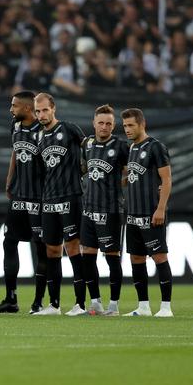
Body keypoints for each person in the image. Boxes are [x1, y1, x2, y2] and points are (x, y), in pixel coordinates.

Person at [0, 91, 48, 314]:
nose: (11, 109)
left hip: (40, 198)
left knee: (41, 248)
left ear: (27, 108)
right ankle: (11, 299)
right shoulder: (16, 126)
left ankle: (39, 302)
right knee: (9, 242)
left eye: (14, 105)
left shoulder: (43, 131)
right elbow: (16, 151)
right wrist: (9, 178)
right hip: (19, 196)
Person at [33, 93, 87, 316]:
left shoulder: (70, 129)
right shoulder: (39, 138)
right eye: (38, 111)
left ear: (53, 108)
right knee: (52, 249)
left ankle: (80, 304)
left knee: (73, 247)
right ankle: (54, 304)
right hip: (49, 200)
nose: (42, 115)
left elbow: (90, 151)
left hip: (71, 196)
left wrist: (83, 170)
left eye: (45, 110)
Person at [121, 108, 173, 317]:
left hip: (151, 213)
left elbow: (167, 179)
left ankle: (166, 307)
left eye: (131, 125)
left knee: (159, 257)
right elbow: (134, 176)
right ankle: (143, 306)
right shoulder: (132, 148)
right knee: (136, 259)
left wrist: (160, 209)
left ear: (142, 124)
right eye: (124, 126)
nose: (127, 129)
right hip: (132, 215)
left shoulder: (156, 147)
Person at [80, 105, 128, 316]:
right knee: (88, 257)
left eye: (109, 123)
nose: (104, 127)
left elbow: (130, 173)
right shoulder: (87, 143)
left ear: (113, 125)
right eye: (101, 122)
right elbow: (83, 168)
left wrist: (118, 182)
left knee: (111, 257)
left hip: (110, 210)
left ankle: (114, 305)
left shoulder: (120, 146)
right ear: (94, 123)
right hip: (88, 210)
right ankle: (96, 302)